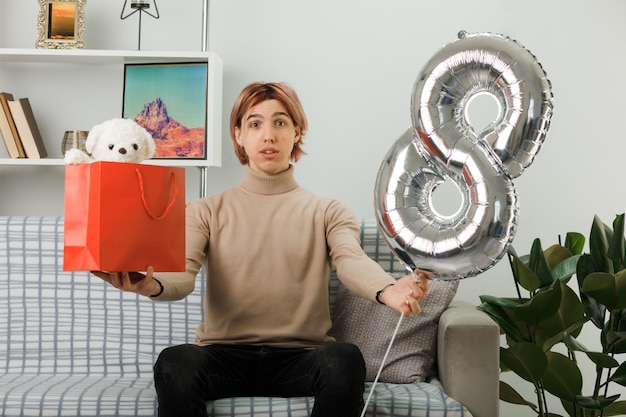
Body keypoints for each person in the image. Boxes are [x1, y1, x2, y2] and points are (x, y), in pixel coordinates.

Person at [93, 81, 430, 417]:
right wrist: (151, 284)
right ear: (238, 134)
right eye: (255, 123)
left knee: (344, 358)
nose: (268, 135)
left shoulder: (329, 211)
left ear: (297, 132)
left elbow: (351, 261)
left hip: (302, 357)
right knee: (175, 361)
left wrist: (387, 289)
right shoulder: (205, 210)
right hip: (223, 356)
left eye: (280, 122)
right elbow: (182, 274)